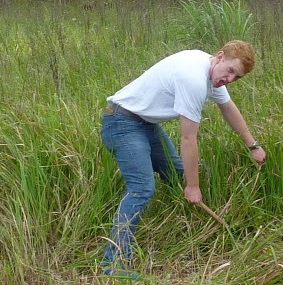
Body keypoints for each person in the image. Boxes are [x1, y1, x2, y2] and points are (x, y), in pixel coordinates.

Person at [100, 40, 266, 276]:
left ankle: (186, 231)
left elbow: (228, 108)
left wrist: (253, 145)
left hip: (146, 124)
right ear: (220, 56)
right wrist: (193, 186)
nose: (229, 79)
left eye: (236, 77)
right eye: (230, 71)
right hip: (121, 121)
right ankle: (114, 263)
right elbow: (189, 139)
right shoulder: (194, 78)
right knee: (142, 188)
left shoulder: (213, 72)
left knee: (176, 175)